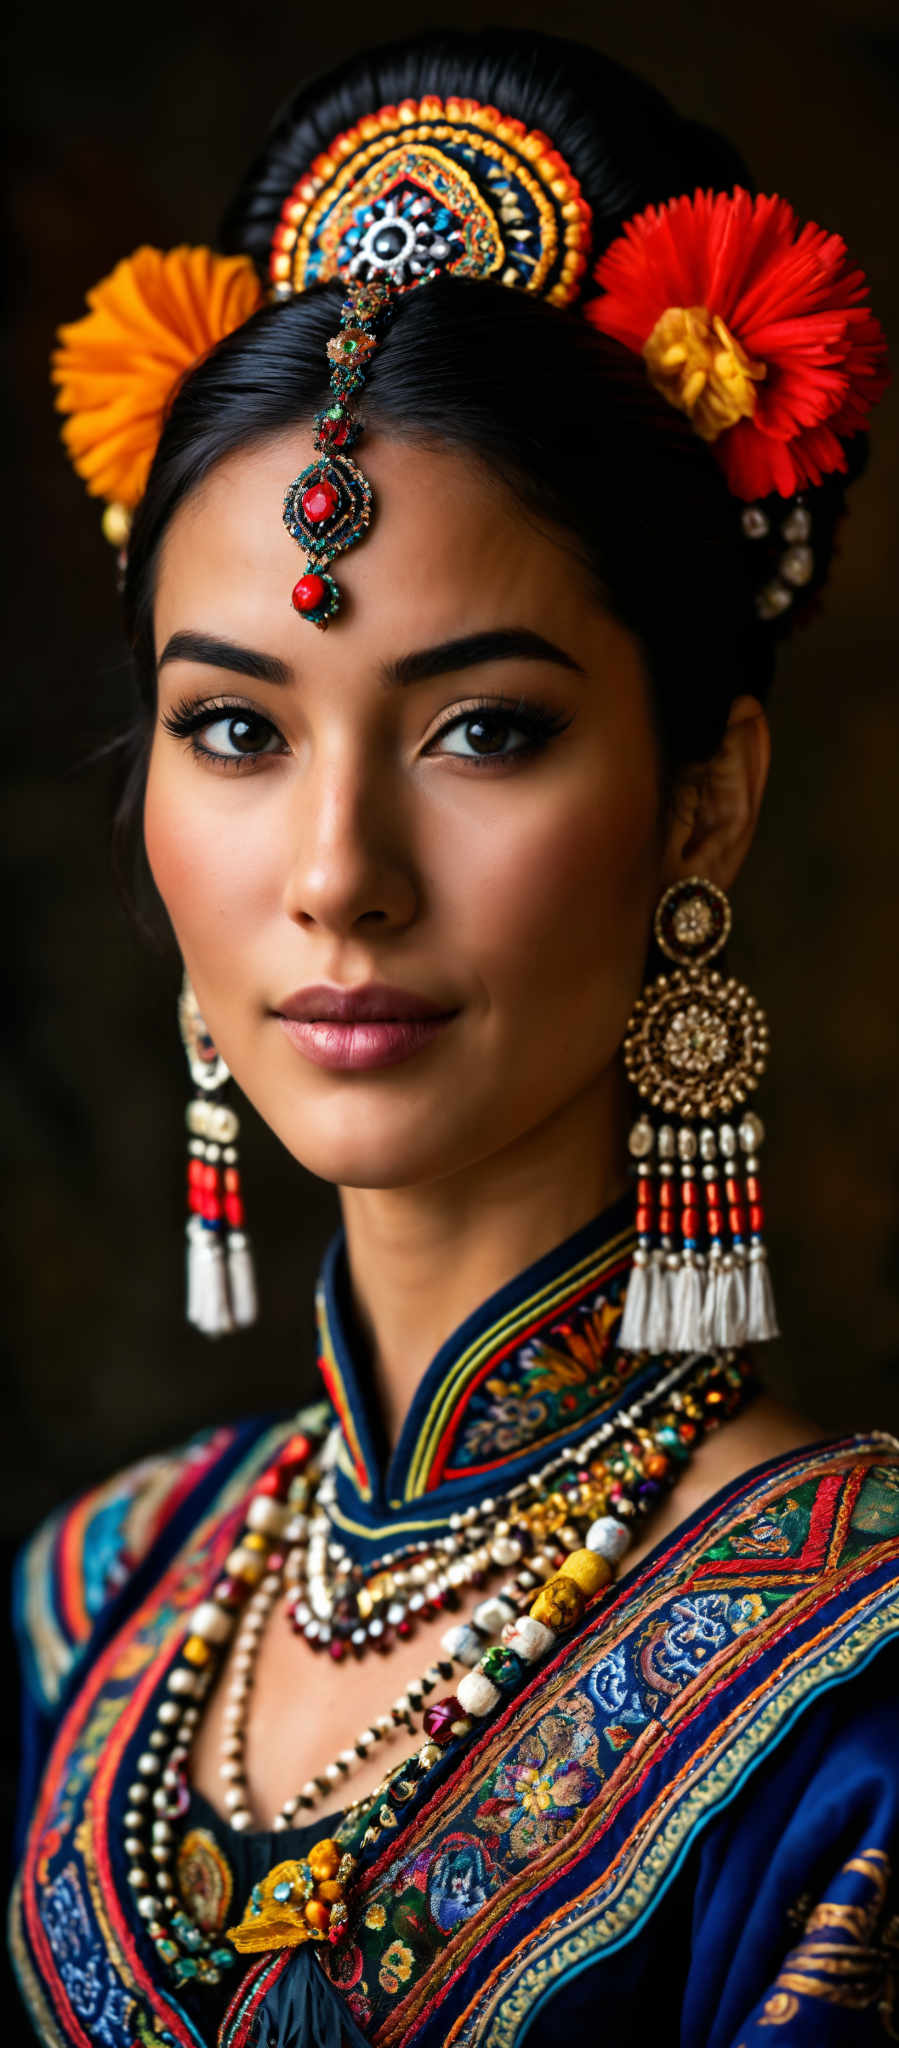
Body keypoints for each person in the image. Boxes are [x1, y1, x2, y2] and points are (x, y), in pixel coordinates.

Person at [9, 26, 899, 2048]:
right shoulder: (86, 1616)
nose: (339, 870)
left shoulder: (852, 1696)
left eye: (484, 727)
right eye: (235, 728)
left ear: (706, 796)